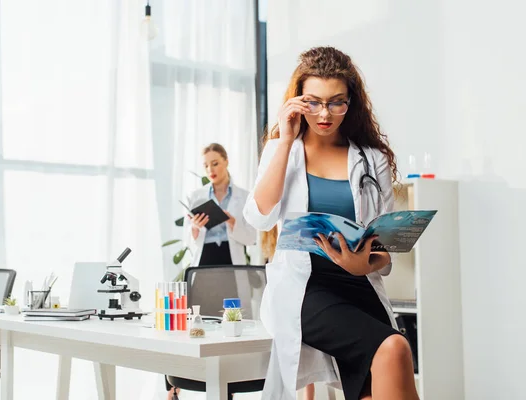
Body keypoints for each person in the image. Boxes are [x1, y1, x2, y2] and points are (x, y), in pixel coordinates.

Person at [243, 47, 419, 400]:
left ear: (350, 102)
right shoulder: (283, 151)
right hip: (306, 289)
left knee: (385, 378)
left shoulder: (373, 159)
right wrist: (287, 139)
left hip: (359, 284)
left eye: (336, 102)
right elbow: (259, 217)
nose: (325, 114)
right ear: (297, 101)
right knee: (395, 348)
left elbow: (383, 248)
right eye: (314, 102)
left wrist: (366, 262)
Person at [167, 143, 256, 400]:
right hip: (204, 263)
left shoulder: (245, 195)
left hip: (230, 260)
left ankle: (226, 387)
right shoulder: (196, 197)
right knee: (198, 321)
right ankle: (181, 385)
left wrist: (231, 220)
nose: (211, 169)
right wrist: (195, 228)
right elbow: (190, 240)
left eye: (215, 163)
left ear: (226, 161)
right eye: (206, 165)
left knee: (232, 320)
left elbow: (251, 238)